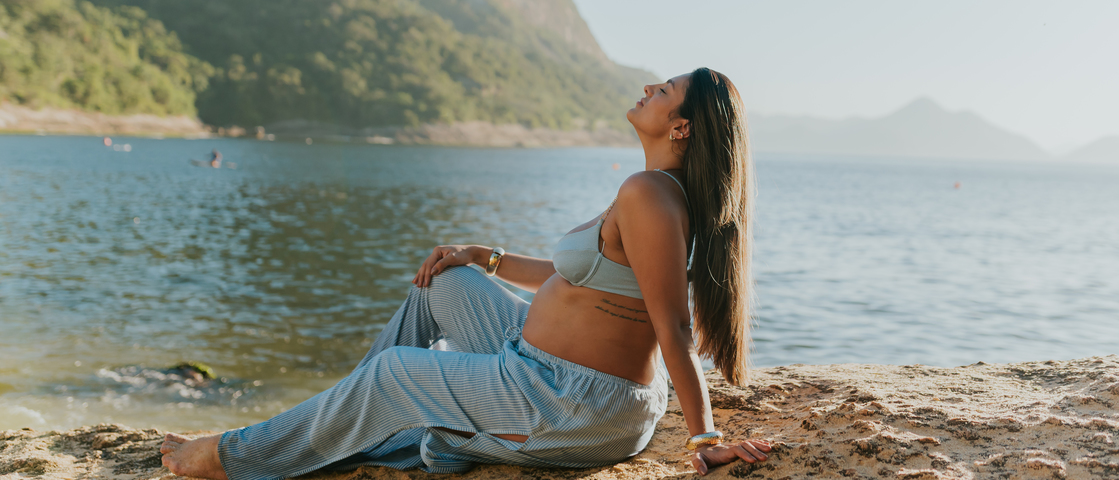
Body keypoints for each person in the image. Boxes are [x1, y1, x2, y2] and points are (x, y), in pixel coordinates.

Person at [160, 68, 770, 479]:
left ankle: (233, 458)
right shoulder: (652, 190)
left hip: (569, 403)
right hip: (539, 373)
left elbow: (672, 326)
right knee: (445, 280)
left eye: (664, 91)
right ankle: (340, 422)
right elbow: (585, 278)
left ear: (681, 127)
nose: (648, 87)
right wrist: (486, 256)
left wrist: (703, 440)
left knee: (395, 373)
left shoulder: (650, 195)